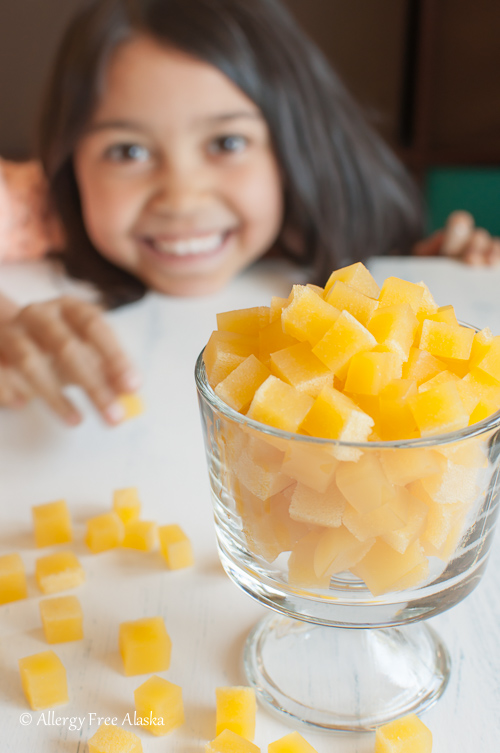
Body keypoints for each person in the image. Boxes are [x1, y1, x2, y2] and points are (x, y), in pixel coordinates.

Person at [0, 0, 498, 426]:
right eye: (128, 152)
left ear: (294, 151)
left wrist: (435, 265)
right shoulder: (31, 208)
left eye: (227, 142)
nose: (182, 198)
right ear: (68, 164)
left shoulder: (325, 233)